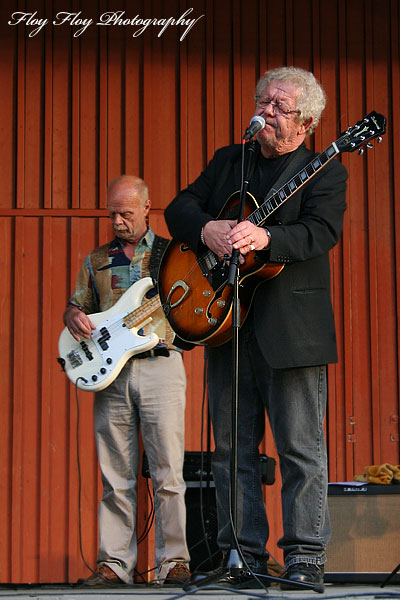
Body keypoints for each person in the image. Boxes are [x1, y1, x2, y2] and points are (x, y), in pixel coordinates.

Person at [164, 66, 348, 591]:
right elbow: (180, 205)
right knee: (232, 450)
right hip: (229, 325)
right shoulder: (230, 160)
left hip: (293, 330)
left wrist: (266, 240)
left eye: (279, 106)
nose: (265, 112)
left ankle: (304, 558)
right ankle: (241, 556)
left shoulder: (323, 170)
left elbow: (321, 231)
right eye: (262, 101)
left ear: (306, 122)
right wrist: (207, 228)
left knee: (299, 450)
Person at [63, 175, 191, 586]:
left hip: (161, 364)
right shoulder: (96, 259)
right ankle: (114, 565)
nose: (117, 220)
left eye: (126, 213)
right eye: (112, 213)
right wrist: (73, 317)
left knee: (169, 471)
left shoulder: (174, 254)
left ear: (147, 208)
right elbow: (76, 307)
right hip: (111, 375)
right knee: (115, 474)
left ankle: (174, 563)